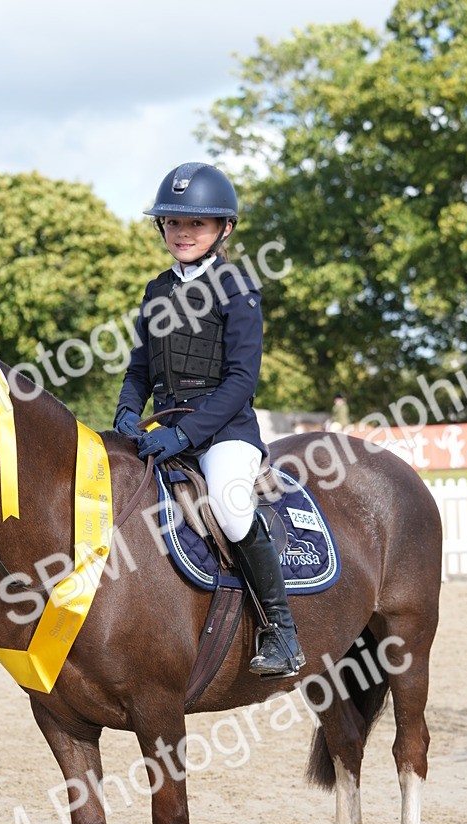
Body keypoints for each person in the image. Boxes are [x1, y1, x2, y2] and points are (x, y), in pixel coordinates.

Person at [113, 161, 304, 677]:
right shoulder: (156, 291)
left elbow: (242, 381)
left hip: (223, 434)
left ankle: (281, 632)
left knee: (230, 506)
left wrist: (184, 435)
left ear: (224, 229)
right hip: (165, 428)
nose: (182, 233)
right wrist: (128, 411)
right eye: (173, 223)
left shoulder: (236, 288)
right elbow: (139, 369)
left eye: (195, 224)